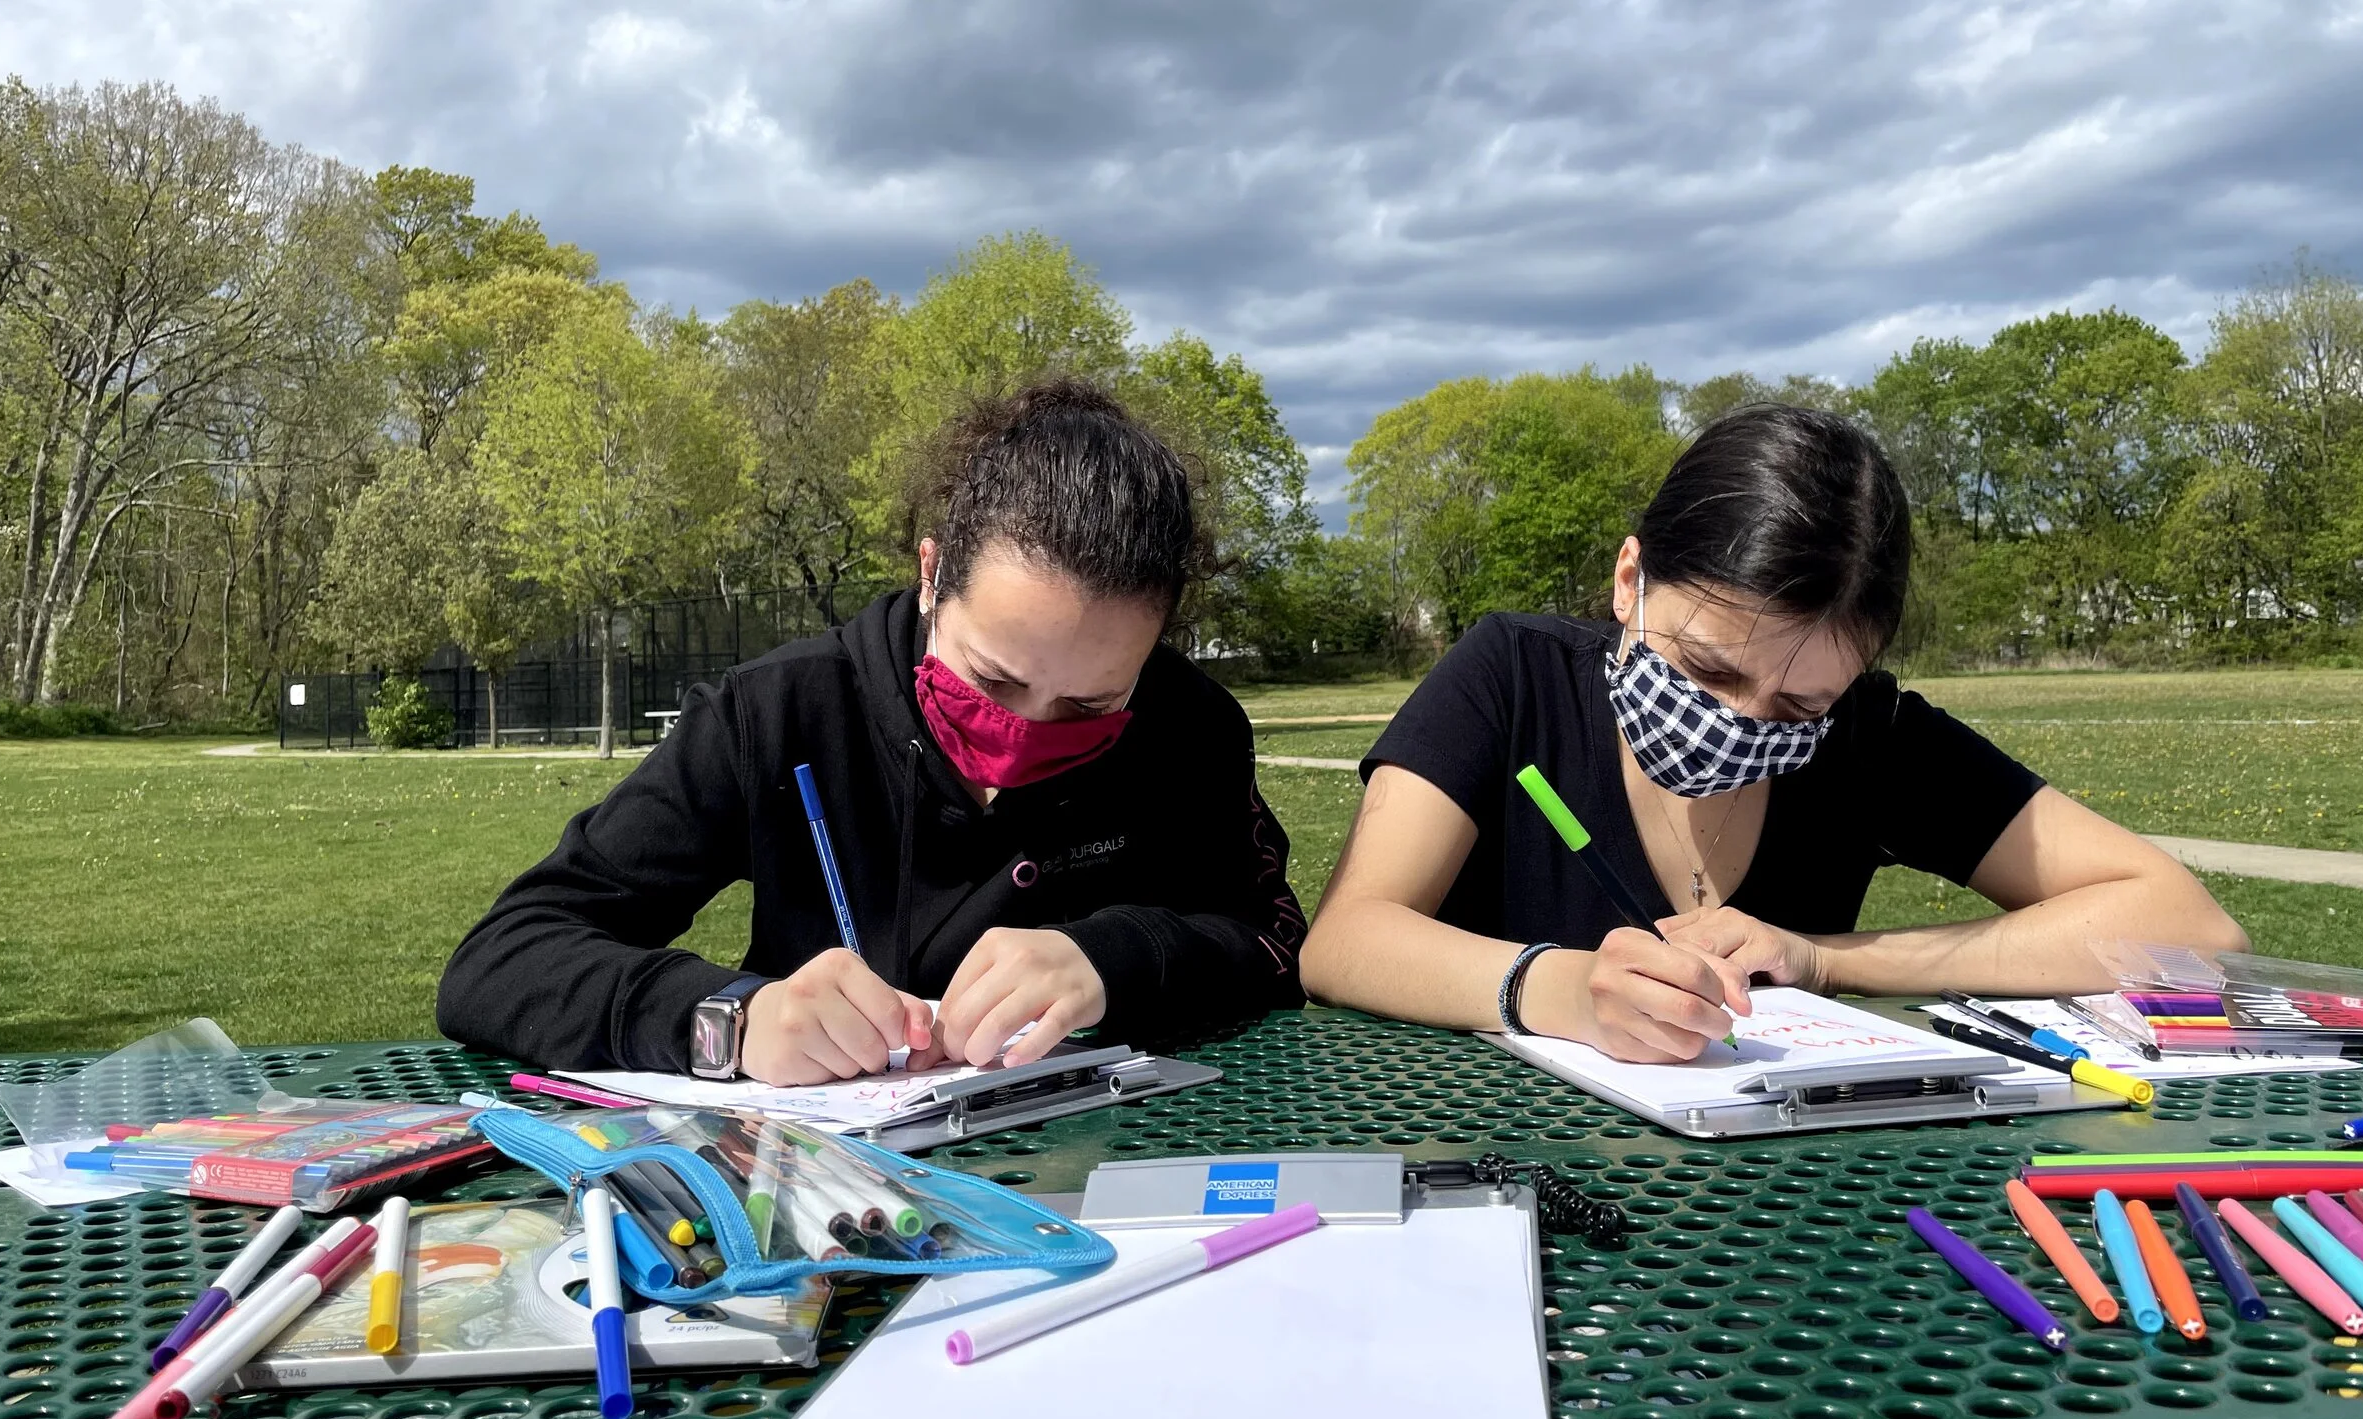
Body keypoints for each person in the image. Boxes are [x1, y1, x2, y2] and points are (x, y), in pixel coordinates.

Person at [1298, 404, 2247, 1063]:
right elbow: (1343, 941)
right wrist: (1563, 990)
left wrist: (1825, 957)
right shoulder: (1513, 676)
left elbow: (2189, 924)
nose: (1739, 722)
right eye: (1708, 668)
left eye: (1801, 706)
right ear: (1630, 580)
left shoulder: (1871, 736)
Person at [438, 378, 1305, 1082]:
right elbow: (504, 958)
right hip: (822, 1197)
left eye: (1089, 706)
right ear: (932, 575)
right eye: (991, 677)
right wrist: (733, 1018)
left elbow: (1274, 942)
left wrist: (1113, 956)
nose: (1021, 735)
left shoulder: (1192, 727)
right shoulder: (776, 712)